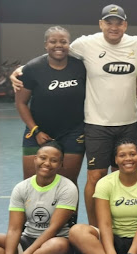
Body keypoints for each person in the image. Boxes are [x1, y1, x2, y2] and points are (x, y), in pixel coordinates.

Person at [11, 4, 137, 226]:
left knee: (122, 178)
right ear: (101, 24)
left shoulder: (136, 44)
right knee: (94, 178)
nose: (113, 27)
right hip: (96, 124)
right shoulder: (86, 44)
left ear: (125, 24)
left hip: (128, 123)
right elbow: (56, 53)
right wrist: (23, 70)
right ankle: (93, 229)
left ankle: (116, 226)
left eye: (118, 22)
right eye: (108, 22)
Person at [14, 26, 86, 184]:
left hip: (73, 133)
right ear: (45, 45)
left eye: (63, 41)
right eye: (53, 41)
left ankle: (67, 211)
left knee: (68, 184)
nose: (58, 45)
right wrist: (36, 130)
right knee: (32, 183)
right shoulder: (33, 68)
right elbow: (21, 103)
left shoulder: (81, 67)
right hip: (38, 131)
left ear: (69, 44)